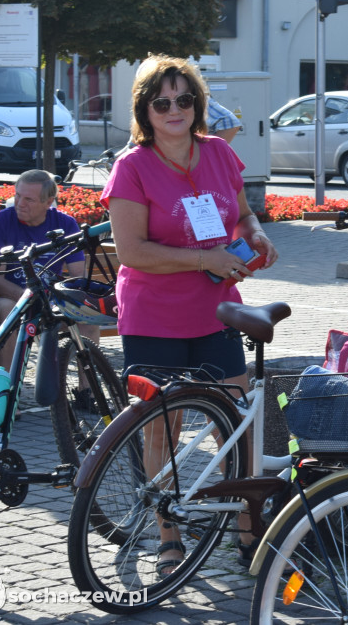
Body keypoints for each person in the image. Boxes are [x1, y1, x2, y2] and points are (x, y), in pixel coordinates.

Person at [100, 54, 278, 575]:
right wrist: (204, 258)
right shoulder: (132, 167)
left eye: (184, 99)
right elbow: (131, 250)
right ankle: (168, 534)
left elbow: (241, 214)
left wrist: (257, 236)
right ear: (146, 110)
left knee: (236, 424)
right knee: (163, 430)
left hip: (217, 308)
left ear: (197, 104)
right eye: (162, 102)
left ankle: (249, 527)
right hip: (154, 314)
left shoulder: (219, 152)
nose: (174, 109)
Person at [0, 170, 96, 369]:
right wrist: (33, 301)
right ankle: (7, 387)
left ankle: (84, 393)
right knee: (9, 312)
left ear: (48, 201)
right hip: (7, 296)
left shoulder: (65, 224)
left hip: (49, 297)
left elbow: (78, 276)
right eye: (17, 195)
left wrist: (55, 302)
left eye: (29, 199)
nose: (19, 203)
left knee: (87, 318)